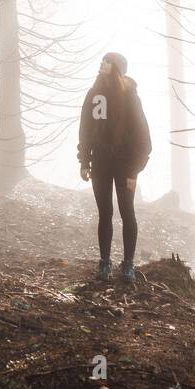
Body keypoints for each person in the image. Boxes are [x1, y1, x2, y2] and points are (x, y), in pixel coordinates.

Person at [78, 52, 151, 283]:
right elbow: (85, 129)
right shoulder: (93, 94)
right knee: (105, 214)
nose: (102, 63)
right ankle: (105, 262)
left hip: (124, 165)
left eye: (107, 61)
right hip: (100, 163)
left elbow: (144, 138)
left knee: (127, 212)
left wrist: (134, 170)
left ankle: (128, 264)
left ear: (118, 67)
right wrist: (84, 161)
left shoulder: (130, 96)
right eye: (102, 60)